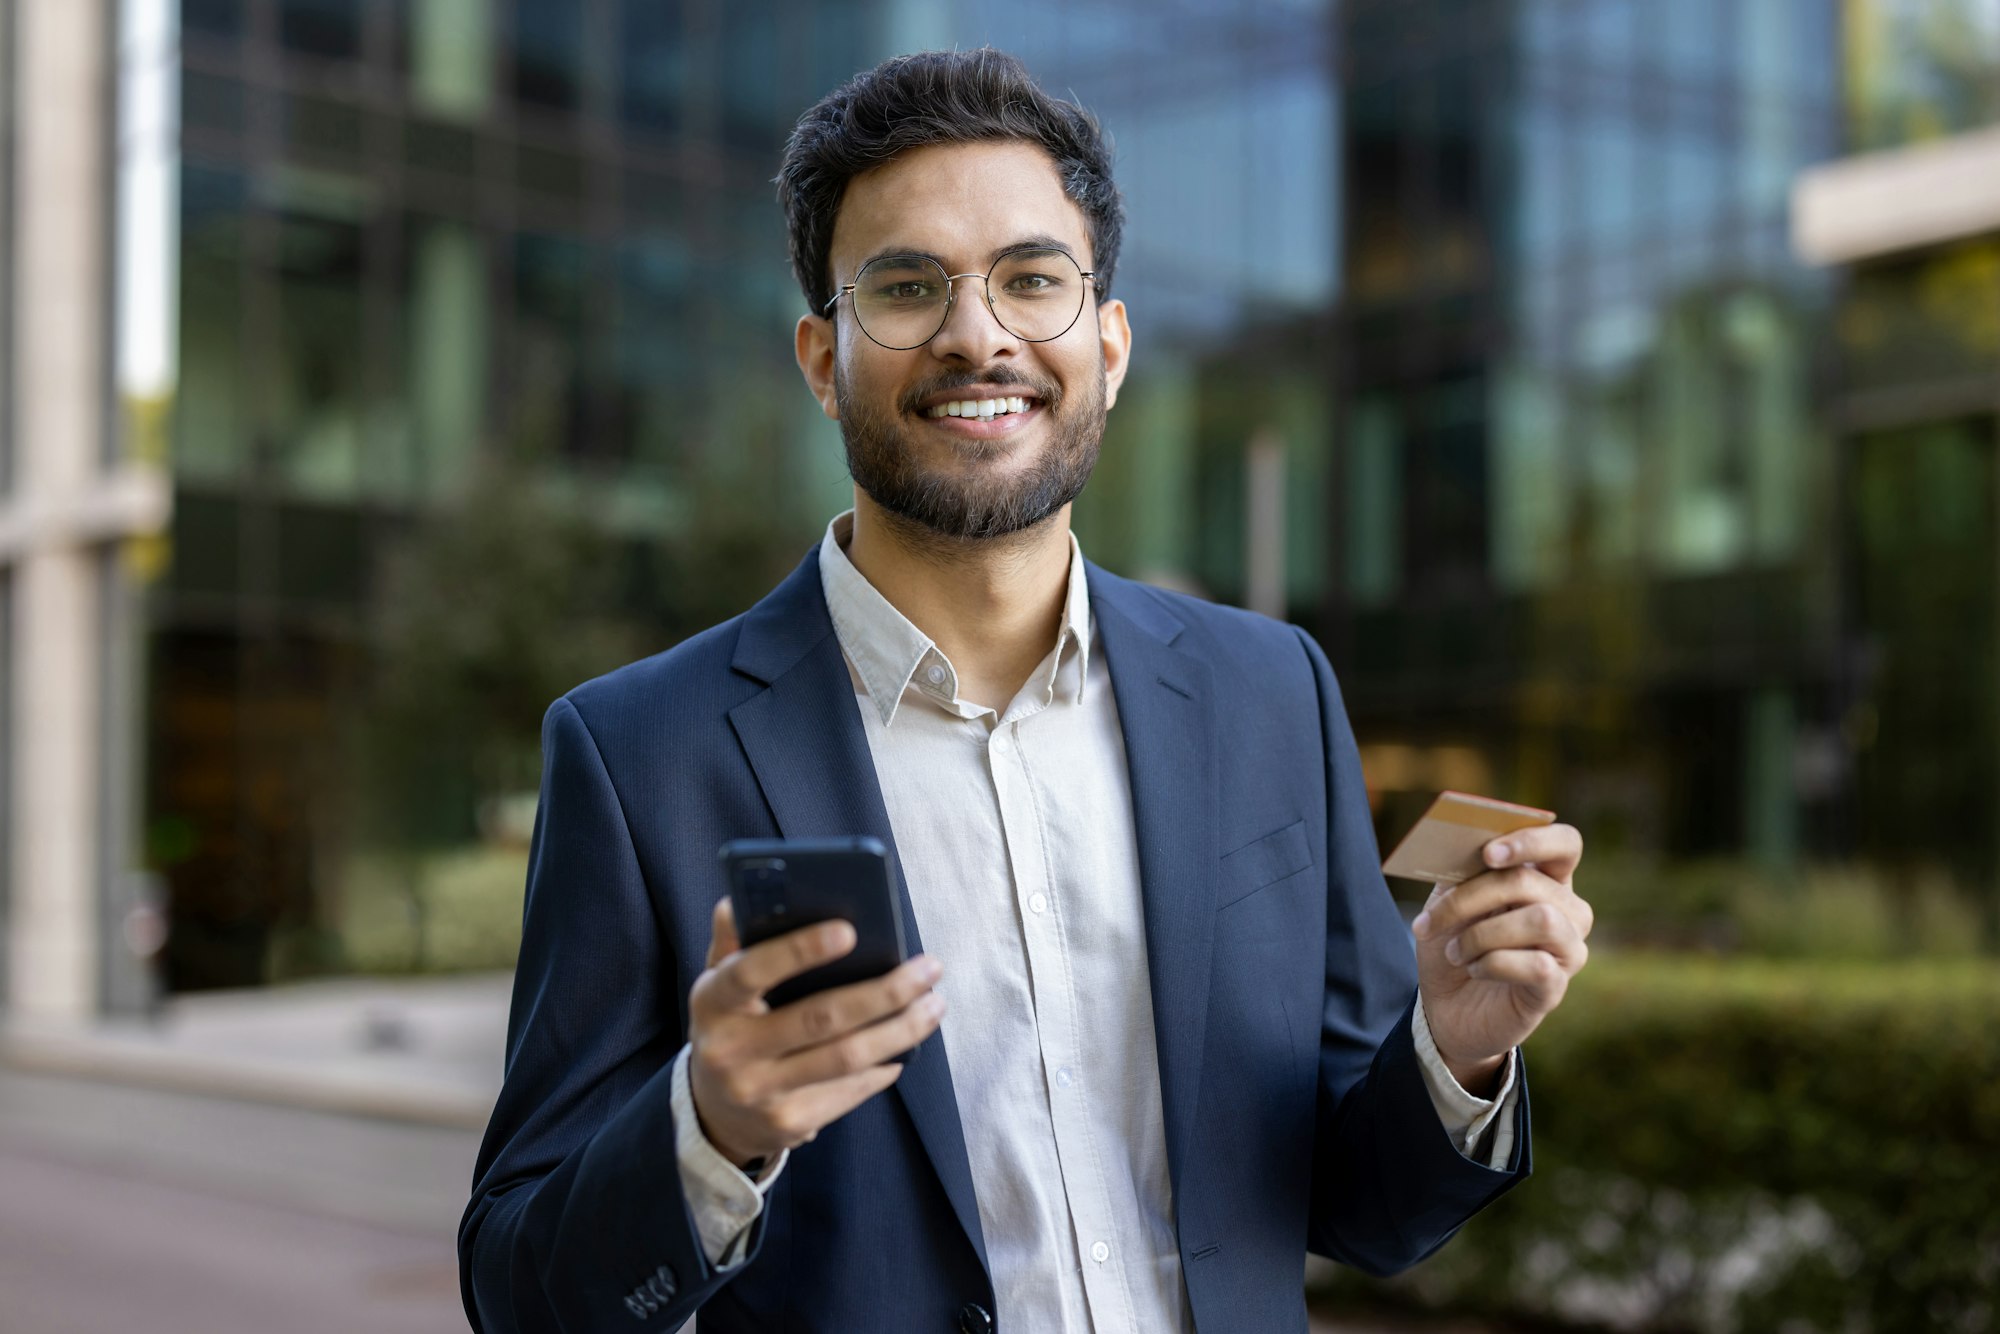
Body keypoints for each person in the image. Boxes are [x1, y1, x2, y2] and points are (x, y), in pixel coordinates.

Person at [459, 47, 1592, 1334]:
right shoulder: (633, 750)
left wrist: (1451, 1049)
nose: (975, 333)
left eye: (1030, 279)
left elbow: (1357, 1206)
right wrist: (707, 1128)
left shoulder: (1268, 691)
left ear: (1105, 343)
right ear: (822, 359)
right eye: (904, 287)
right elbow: (519, 1288)